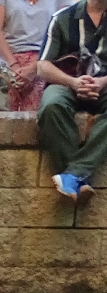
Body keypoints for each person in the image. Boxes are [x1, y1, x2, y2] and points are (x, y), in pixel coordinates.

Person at [38, 0, 107, 199]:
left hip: (104, 85)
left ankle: (73, 175)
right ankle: (78, 178)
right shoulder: (62, 18)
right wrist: (74, 83)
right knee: (52, 105)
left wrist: (101, 82)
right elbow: (43, 66)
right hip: (66, 83)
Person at [0, 0, 69, 110]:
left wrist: (34, 67)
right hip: (9, 60)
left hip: (46, 60)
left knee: (43, 104)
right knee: (3, 107)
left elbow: (65, 35)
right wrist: (14, 67)